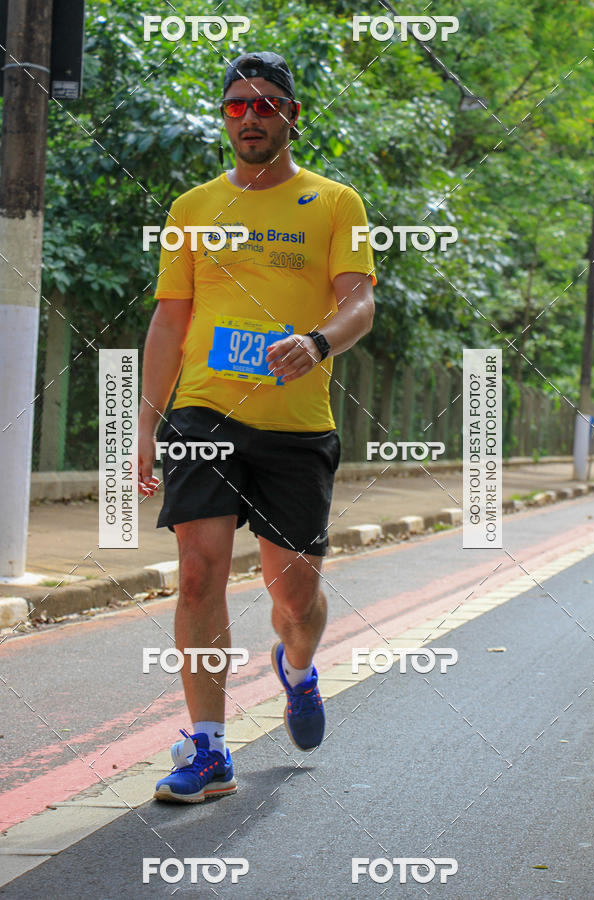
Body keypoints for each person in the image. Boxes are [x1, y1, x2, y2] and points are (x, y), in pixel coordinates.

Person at [137, 51, 376, 803]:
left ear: (291, 116)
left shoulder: (335, 202)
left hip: (295, 425)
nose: (250, 117)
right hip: (205, 411)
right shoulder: (191, 209)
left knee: (293, 597)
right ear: (224, 118)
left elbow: (360, 302)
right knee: (200, 573)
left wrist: (317, 342)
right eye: (236, 105)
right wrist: (145, 424)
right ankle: (209, 751)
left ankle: (298, 670)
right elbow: (170, 321)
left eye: (265, 104)